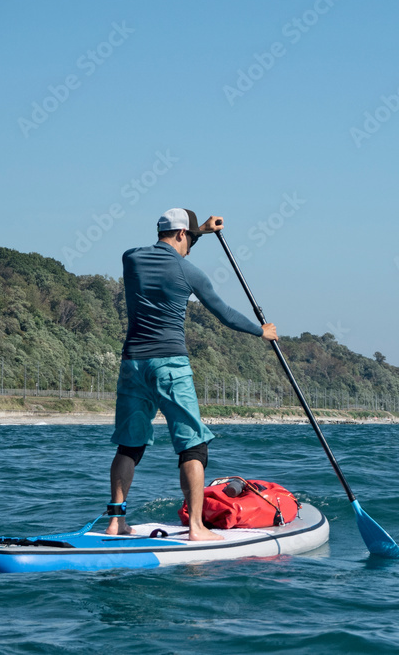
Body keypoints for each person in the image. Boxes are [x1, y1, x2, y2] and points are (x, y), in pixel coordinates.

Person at [105, 208, 277, 540]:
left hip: (132, 364)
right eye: (190, 239)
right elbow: (224, 313)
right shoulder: (189, 272)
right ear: (183, 235)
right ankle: (197, 528)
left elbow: (175, 240)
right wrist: (261, 331)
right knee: (193, 447)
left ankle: (115, 523)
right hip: (170, 365)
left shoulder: (131, 259)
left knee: (129, 447)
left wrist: (200, 229)